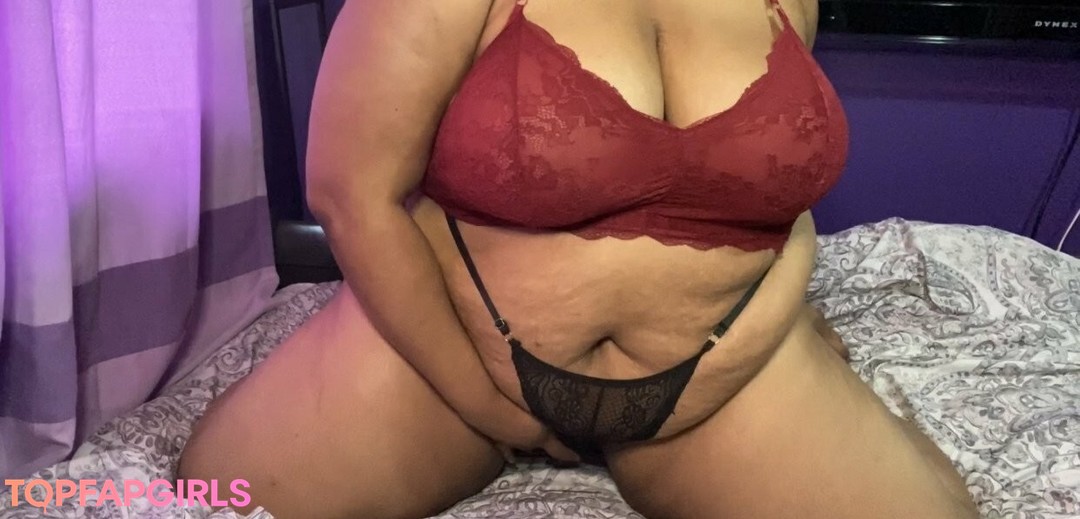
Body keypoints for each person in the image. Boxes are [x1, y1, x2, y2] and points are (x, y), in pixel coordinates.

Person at [179, 0, 979, 517]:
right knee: (209, 493)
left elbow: (774, 190)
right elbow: (351, 193)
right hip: (460, 364)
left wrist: (781, 318)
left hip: (717, 382)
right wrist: (493, 408)